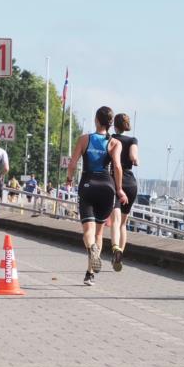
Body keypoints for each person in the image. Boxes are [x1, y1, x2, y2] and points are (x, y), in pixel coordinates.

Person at [66, 106, 128, 286]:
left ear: (96, 120)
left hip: (88, 185)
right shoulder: (115, 143)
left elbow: (72, 163)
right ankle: (90, 273)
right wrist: (119, 189)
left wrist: (69, 179)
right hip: (107, 188)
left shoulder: (85, 139)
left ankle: (91, 250)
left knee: (88, 231)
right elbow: (117, 166)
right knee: (100, 232)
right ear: (110, 123)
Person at [110, 113, 139, 272]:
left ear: (114, 125)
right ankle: (121, 252)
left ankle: (115, 249)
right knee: (123, 223)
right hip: (130, 183)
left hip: (114, 181)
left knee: (114, 219)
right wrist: (137, 160)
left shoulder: (110, 139)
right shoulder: (132, 140)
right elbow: (133, 156)